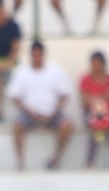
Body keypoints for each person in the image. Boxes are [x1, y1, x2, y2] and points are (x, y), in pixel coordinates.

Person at [6, 39, 73, 171]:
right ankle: (21, 163)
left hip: (52, 114)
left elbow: (64, 94)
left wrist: (55, 111)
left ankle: (55, 160)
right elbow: (15, 97)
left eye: (39, 54)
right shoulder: (22, 72)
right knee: (16, 126)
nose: (37, 57)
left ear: (44, 54)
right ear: (30, 55)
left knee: (67, 126)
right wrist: (29, 112)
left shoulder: (55, 71)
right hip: (29, 114)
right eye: (34, 54)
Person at [79, 50, 109, 167]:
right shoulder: (86, 79)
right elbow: (84, 97)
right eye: (93, 63)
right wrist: (96, 102)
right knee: (96, 130)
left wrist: (100, 102)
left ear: (103, 64)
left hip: (108, 114)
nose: (95, 66)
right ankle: (90, 164)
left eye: (98, 63)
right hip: (92, 114)